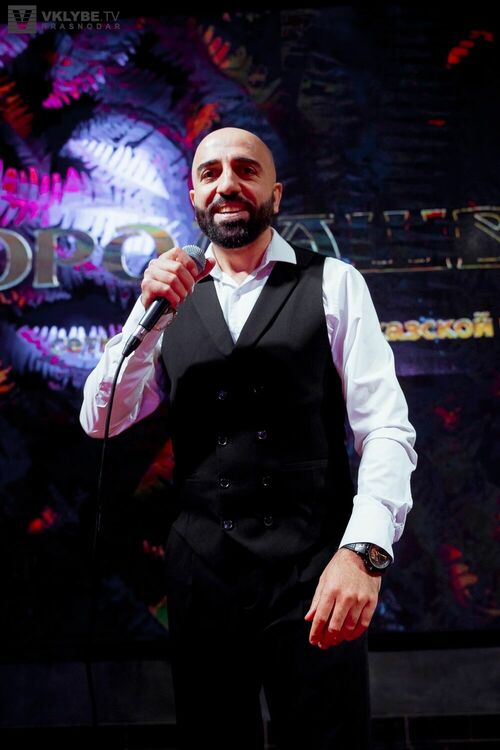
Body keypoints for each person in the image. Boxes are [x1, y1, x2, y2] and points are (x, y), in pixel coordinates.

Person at [80, 127, 417, 749]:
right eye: (210, 173)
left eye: (245, 169)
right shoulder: (166, 298)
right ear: (193, 197)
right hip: (201, 578)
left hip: (315, 571)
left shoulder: (334, 282)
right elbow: (103, 416)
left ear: (274, 194)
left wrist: (364, 552)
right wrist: (146, 318)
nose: (227, 184)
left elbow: (386, 428)